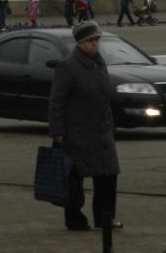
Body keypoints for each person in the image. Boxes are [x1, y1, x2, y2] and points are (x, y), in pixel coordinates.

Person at [48, 19, 122, 233]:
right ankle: (74, 219)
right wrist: (58, 132)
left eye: (97, 40)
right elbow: (56, 102)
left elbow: (104, 96)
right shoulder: (68, 66)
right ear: (80, 43)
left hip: (101, 132)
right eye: (90, 40)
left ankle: (105, 218)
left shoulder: (100, 63)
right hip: (76, 134)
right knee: (74, 179)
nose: (95, 44)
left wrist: (110, 123)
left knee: (108, 176)